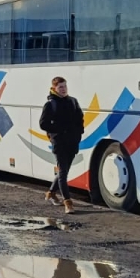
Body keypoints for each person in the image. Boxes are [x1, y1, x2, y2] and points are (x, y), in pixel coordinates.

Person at [38, 76, 84, 214]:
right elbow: (43, 124)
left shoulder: (73, 101)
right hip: (59, 142)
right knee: (63, 173)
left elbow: (80, 119)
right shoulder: (51, 104)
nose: (63, 89)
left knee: (64, 171)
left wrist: (78, 133)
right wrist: (58, 131)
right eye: (60, 87)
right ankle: (68, 203)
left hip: (72, 142)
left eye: (65, 86)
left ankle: (51, 193)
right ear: (54, 88)